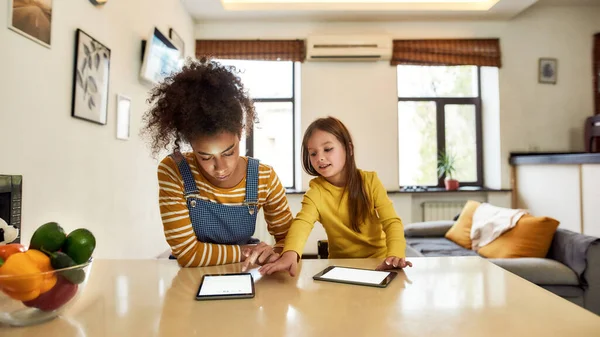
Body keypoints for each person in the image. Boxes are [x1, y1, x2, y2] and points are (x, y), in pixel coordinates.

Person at [142, 58, 293, 268]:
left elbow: (290, 243)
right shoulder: (174, 170)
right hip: (190, 280)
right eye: (205, 157)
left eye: (229, 152)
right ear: (191, 144)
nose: (220, 168)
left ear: (240, 134)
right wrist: (248, 251)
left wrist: (272, 253)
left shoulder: (264, 178)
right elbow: (188, 254)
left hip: (243, 273)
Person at [259, 117, 412, 276]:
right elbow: (302, 223)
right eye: (313, 153)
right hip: (340, 267)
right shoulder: (316, 191)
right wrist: (290, 253)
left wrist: (395, 254)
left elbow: (391, 222)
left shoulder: (371, 182)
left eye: (328, 149)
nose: (320, 158)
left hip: (379, 263)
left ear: (349, 149)